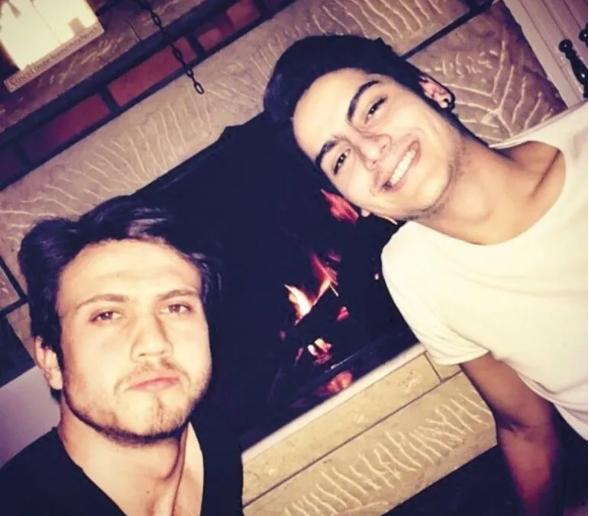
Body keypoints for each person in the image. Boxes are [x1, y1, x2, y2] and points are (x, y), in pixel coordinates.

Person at [264, 34, 587, 516]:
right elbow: (525, 426)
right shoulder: (414, 273)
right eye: (340, 159)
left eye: (372, 108)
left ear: (429, 88)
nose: (371, 151)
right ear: (353, 201)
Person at [0, 196, 244, 516]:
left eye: (176, 307)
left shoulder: (212, 439)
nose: (153, 343)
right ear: (51, 361)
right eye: (107, 315)